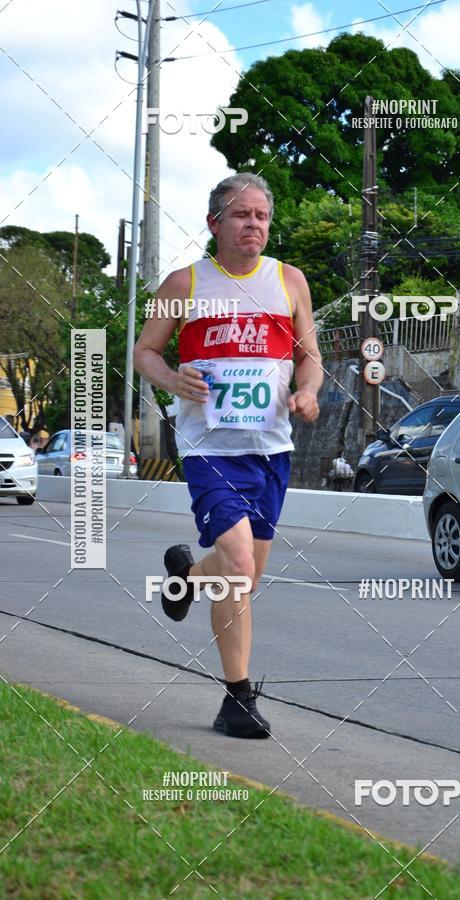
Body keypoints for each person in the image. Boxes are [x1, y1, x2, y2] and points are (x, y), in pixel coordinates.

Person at [133, 173, 322, 739]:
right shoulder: (184, 282)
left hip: (270, 450)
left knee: (243, 579)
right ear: (215, 223)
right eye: (242, 215)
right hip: (207, 448)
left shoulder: (289, 281)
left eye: (262, 216)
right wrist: (170, 376)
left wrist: (308, 391)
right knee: (238, 566)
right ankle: (236, 700)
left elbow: (309, 357)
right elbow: (145, 350)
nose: (254, 226)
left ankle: (187, 576)